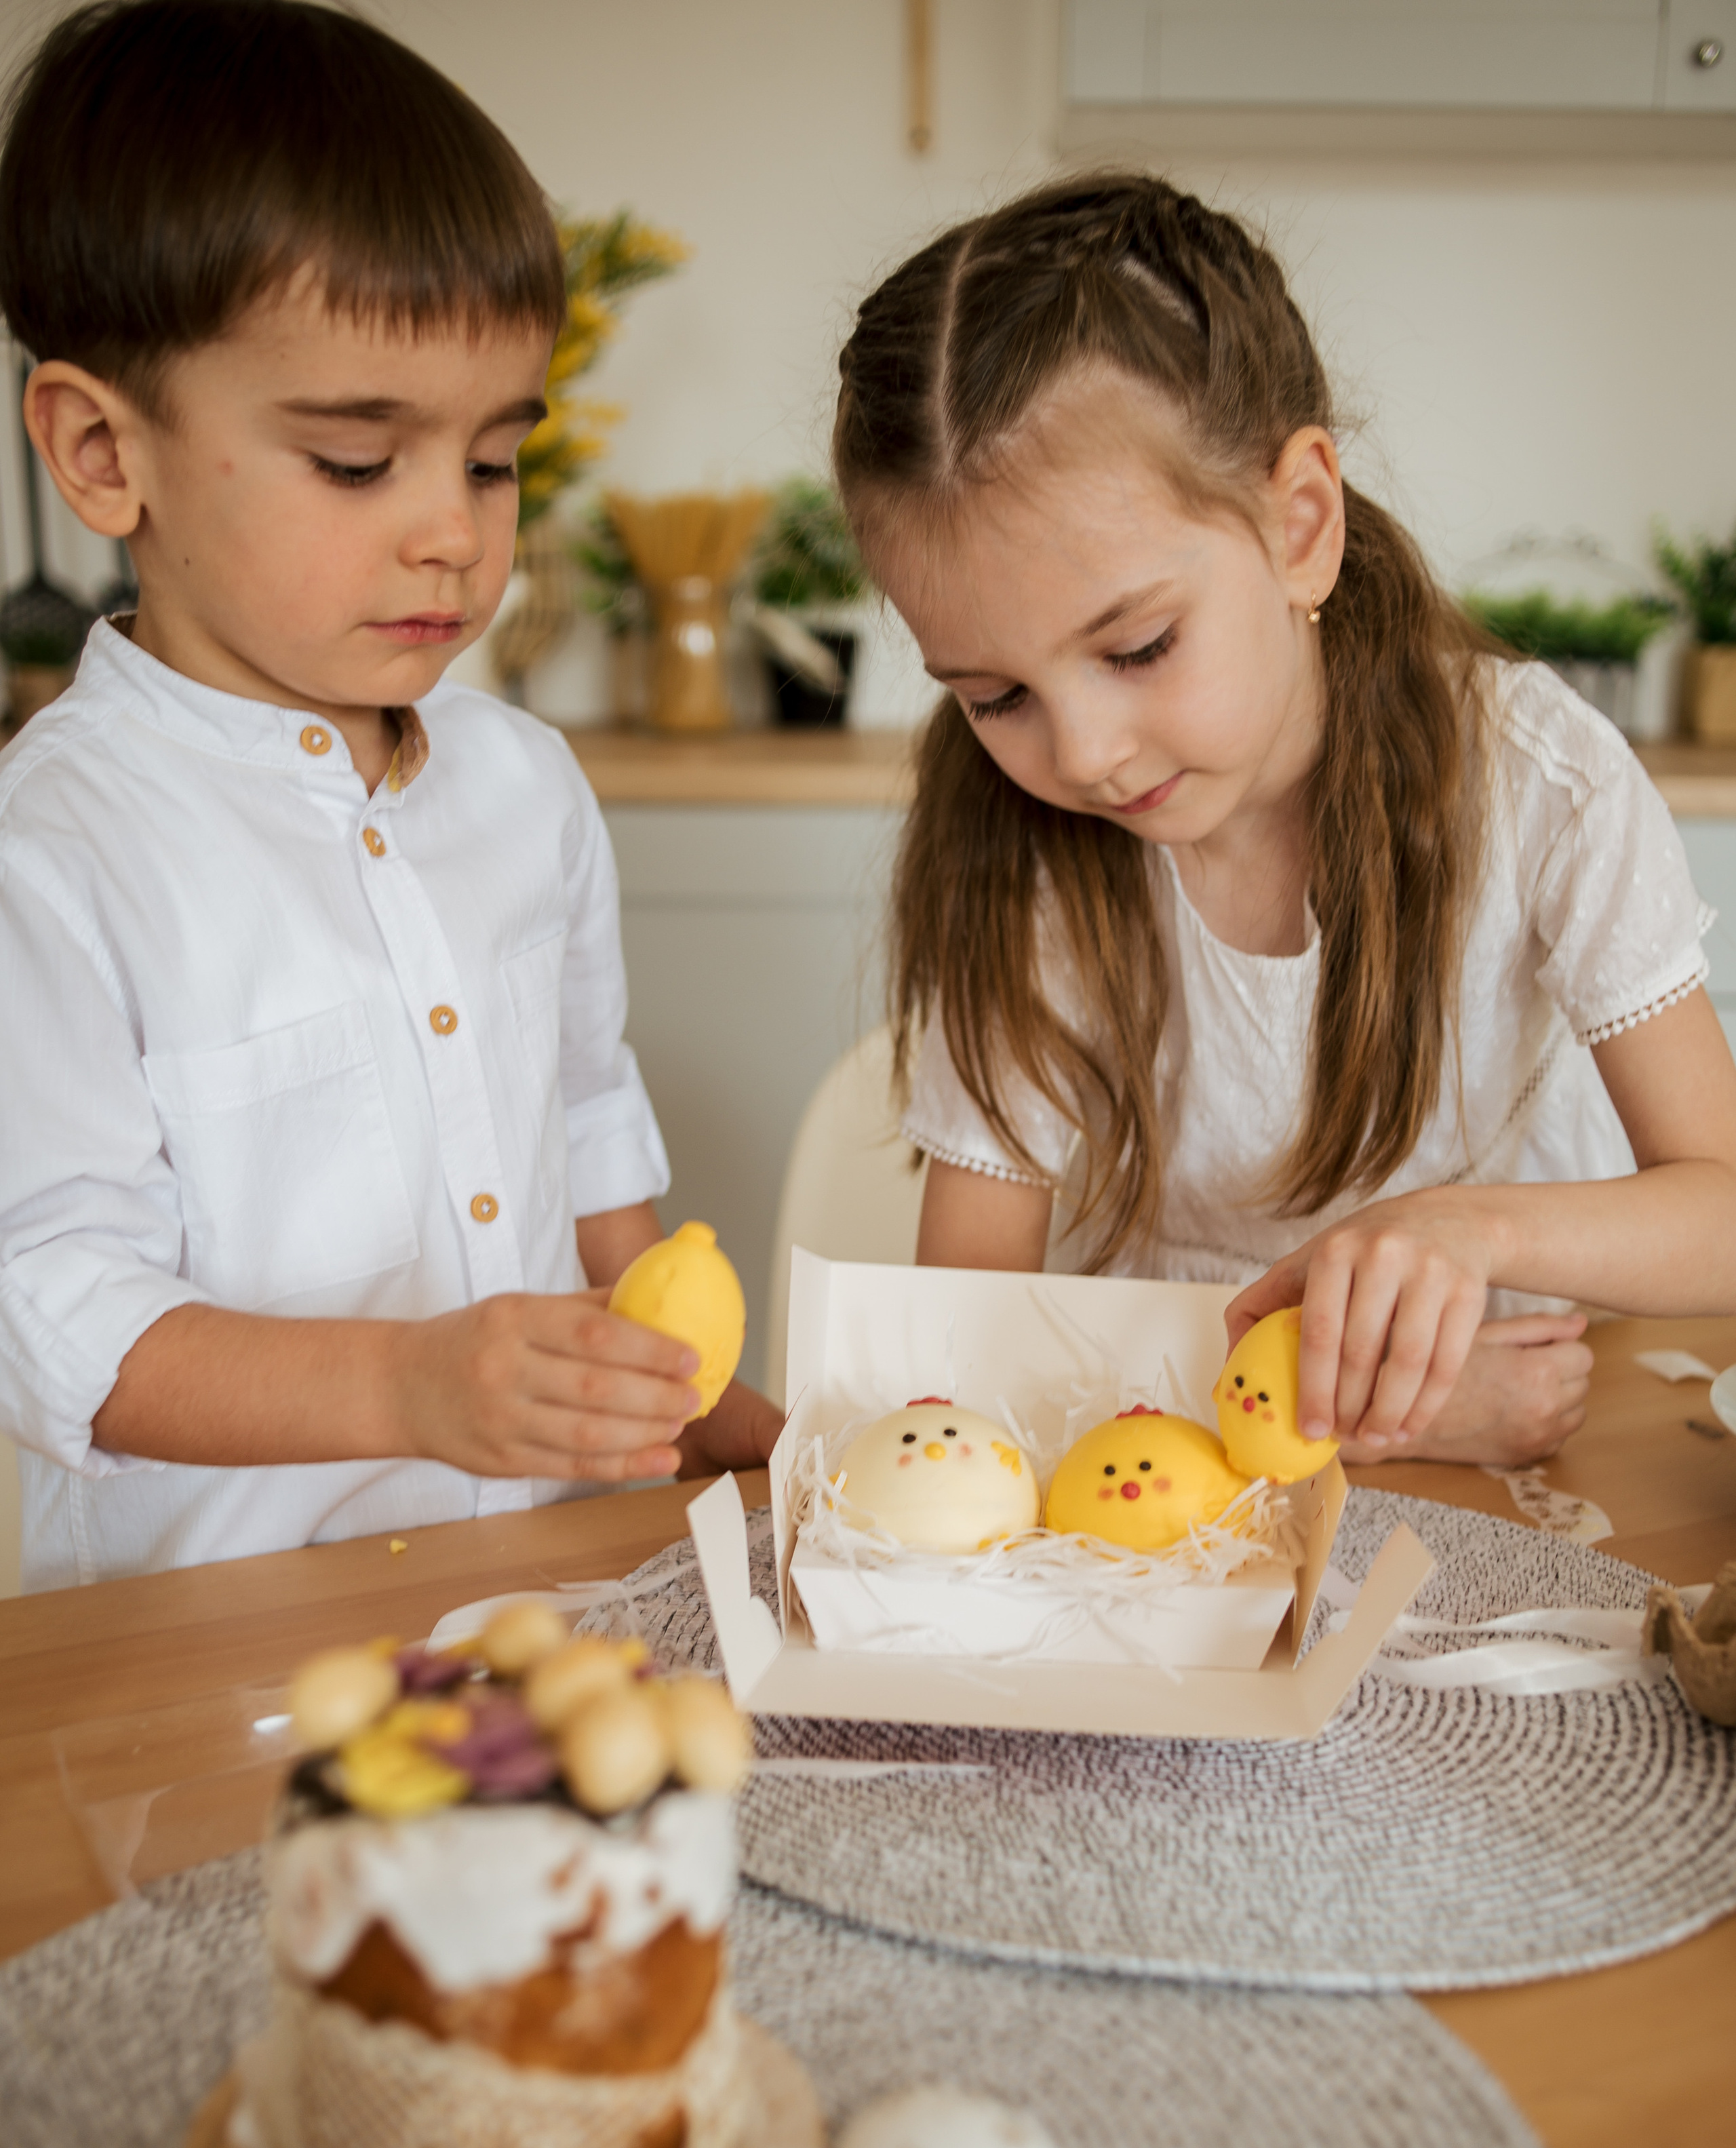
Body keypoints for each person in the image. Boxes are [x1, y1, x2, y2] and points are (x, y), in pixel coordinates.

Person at [0, 0, 781, 1593]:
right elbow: (57, 1315)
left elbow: (580, 1115)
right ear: (99, 451)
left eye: (491, 460)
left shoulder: (524, 788)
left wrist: (692, 1404)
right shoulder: (57, 853)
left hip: (545, 1591)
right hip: (205, 1658)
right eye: (361, 465)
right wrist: (408, 1385)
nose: (452, 533)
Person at [832, 174, 1736, 1466]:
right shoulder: (1011, 846)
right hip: (1162, 1447)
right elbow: (960, 1343)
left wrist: (1468, 1231)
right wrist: (1353, 1406)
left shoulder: (1541, 784)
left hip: (1523, 1453)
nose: (1084, 754)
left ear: (1301, 524)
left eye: (1138, 647)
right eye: (994, 695)